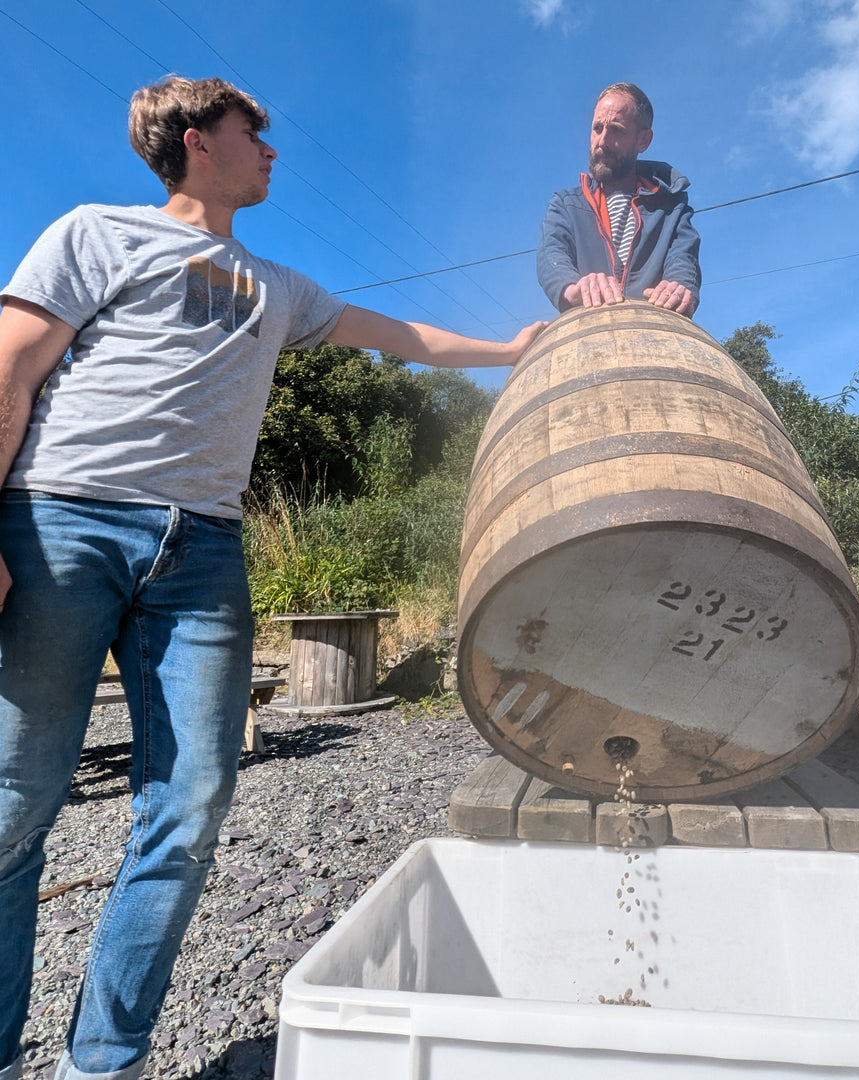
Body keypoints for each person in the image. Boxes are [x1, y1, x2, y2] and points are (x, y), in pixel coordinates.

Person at [0, 76, 544, 1080]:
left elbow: (401, 339)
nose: (273, 150)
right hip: (64, 522)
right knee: (15, 806)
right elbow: (11, 369)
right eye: (258, 132)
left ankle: (102, 1063)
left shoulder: (277, 287)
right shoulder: (94, 234)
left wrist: (509, 352)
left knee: (194, 804)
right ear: (200, 138)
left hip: (202, 550)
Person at [536, 82, 701, 317]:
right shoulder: (566, 204)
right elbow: (552, 253)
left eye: (616, 130)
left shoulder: (672, 208)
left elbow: (683, 260)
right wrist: (571, 287)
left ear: (643, 140)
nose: (602, 141)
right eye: (597, 128)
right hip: (588, 330)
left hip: (653, 330)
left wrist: (679, 287)